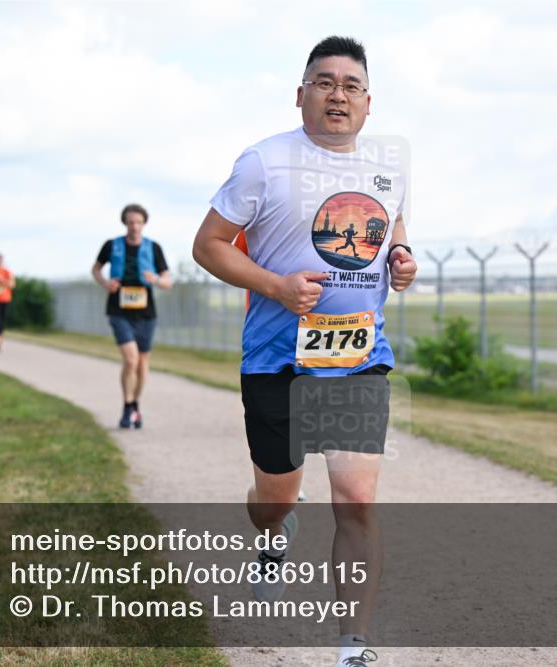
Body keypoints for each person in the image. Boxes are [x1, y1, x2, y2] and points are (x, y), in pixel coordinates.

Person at [192, 36, 416, 667]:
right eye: (323, 82)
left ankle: (353, 647)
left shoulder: (388, 169)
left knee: (358, 499)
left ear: (368, 103)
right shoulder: (263, 162)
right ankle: (273, 534)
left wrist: (401, 262)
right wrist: (274, 285)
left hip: (358, 356)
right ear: (300, 95)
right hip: (276, 357)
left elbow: (393, 236)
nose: (337, 94)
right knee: (276, 498)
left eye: (350, 85)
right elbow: (208, 245)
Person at [92, 203, 172, 429]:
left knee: (142, 363)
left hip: (146, 312)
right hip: (119, 309)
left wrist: (155, 279)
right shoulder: (111, 245)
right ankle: (127, 406)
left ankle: (134, 405)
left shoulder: (154, 247)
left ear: (144, 223)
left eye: (138, 222)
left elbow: (168, 281)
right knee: (131, 359)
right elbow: (95, 269)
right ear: (125, 223)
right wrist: (105, 283)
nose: (134, 226)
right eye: (130, 222)